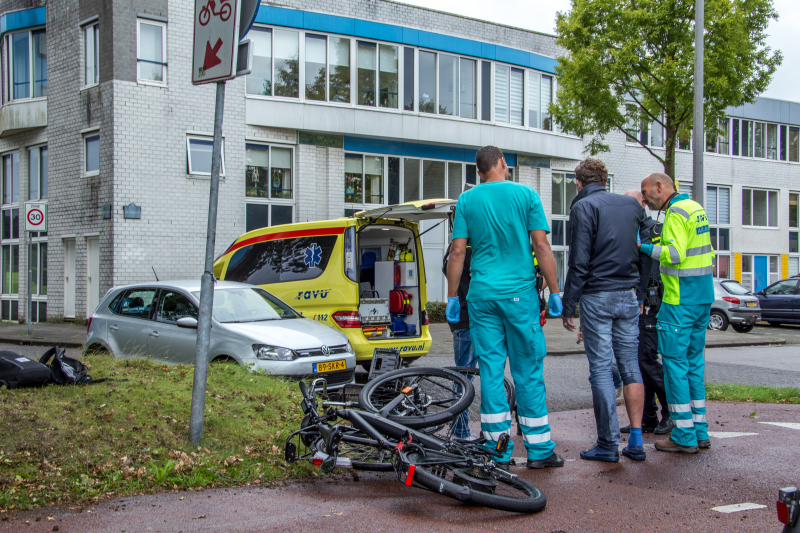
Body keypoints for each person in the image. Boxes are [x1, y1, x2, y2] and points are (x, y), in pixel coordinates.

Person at [446, 146, 564, 469]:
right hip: (519, 296)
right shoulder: (526, 195)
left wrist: (453, 296)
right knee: (527, 370)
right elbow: (541, 246)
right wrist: (555, 291)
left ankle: (498, 450)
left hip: (482, 297)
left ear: (479, 171)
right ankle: (540, 451)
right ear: (500, 163)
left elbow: (457, 253)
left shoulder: (467, 200)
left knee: (491, 371)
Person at [561, 158, 648, 463]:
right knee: (630, 366)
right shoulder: (633, 207)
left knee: (600, 368)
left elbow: (579, 260)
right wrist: (640, 292)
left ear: (579, 182)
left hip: (598, 295)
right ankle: (636, 440)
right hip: (628, 294)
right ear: (606, 180)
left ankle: (608, 443)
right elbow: (642, 251)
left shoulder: (583, 207)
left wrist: (568, 304)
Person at [639, 173, 715, 454]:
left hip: (679, 300)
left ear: (660, 187)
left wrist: (644, 248)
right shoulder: (696, 208)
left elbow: (675, 254)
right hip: (703, 298)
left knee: (674, 365)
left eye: (647, 192)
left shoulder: (674, 213)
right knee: (694, 363)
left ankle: (683, 434)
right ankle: (700, 429)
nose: (645, 199)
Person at [620, 190, 674, 436]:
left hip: (649, 305)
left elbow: (652, 268)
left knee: (647, 360)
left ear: (642, 204)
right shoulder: (632, 229)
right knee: (639, 362)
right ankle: (647, 417)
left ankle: (671, 412)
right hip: (635, 304)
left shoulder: (654, 230)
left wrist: (643, 298)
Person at [442, 242, 476, 439]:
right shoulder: (469, 249)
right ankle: (460, 432)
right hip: (470, 319)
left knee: (462, 376)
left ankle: (459, 430)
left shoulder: (453, 248)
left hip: (459, 319)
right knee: (465, 378)